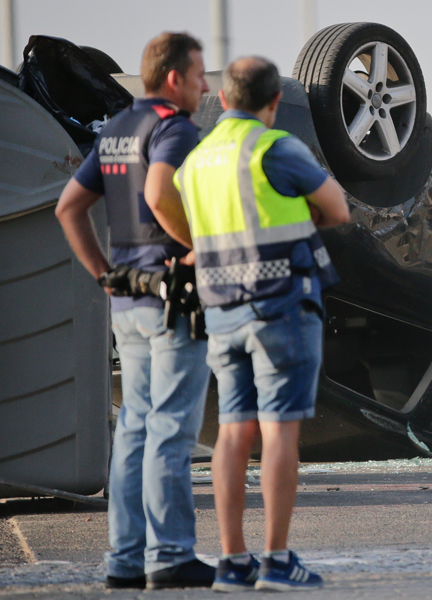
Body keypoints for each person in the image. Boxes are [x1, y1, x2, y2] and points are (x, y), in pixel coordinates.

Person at [166, 56, 349, 592]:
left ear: (221, 100)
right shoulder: (275, 147)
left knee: (232, 432)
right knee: (278, 430)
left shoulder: (196, 162)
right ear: (273, 104)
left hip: (222, 309)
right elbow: (337, 207)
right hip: (282, 305)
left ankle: (232, 562)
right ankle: (276, 559)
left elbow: (186, 223)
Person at [55, 33, 216, 588]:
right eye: (198, 73)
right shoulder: (174, 128)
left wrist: (103, 273)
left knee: (135, 431)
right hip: (173, 297)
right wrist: (198, 245)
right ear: (173, 77)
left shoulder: (118, 128)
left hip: (127, 296)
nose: (204, 84)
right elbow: (159, 191)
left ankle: (125, 561)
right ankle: (171, 556)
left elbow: (69, 207)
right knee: (171, 429)